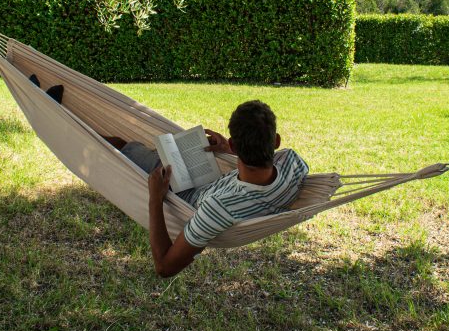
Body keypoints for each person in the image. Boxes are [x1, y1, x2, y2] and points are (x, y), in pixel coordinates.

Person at [105, 100, 309, 277]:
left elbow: (165, 267)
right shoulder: (293, 163)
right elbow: (261, 167)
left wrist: (155, 198)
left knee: (121, 146)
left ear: (235, 144)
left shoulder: (219, 208)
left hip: (176, 192)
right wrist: (228, 150)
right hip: (209, 180)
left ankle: (86, 135)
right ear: (276, 141)